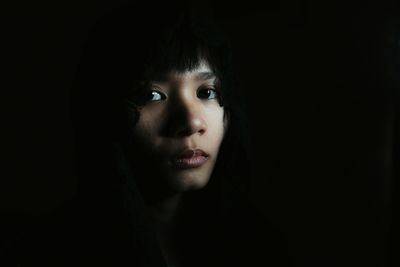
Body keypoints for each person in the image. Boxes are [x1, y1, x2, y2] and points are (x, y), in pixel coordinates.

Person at [19, 3, 290, 267]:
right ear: (105, 111)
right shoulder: (53, 253)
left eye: (206, 92)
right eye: (152, 95)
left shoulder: (259, 249)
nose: (191, 121)